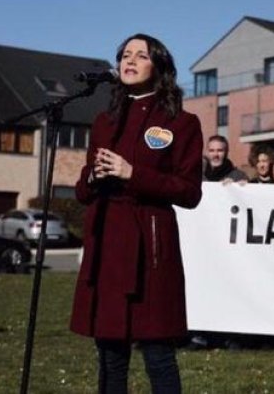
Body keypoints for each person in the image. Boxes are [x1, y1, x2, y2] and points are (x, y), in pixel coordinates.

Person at [70, 33, 203, 393]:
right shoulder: (103, 121)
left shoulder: (182, 122)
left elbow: (190, 192)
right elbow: (82, 191)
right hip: (106, 246)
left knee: (157, 352)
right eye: (125, 54)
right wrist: (94, 176)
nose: (129, 61)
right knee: (110, 353)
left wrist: (133, 174)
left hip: (150, 248)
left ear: (158, 66)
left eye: (140, 55)